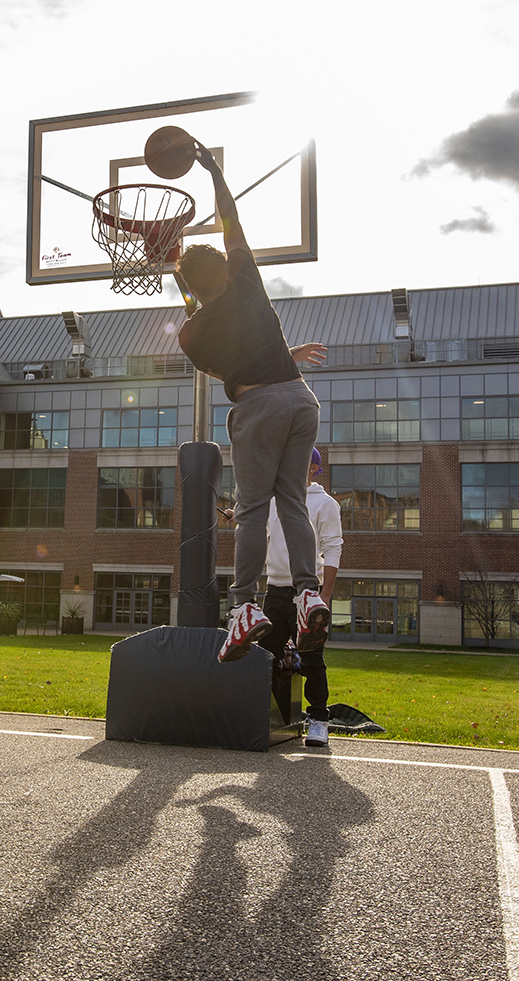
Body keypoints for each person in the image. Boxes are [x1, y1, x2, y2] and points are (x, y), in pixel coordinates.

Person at [174, 140, 330, 663]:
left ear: (189, 288)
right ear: (226, 266)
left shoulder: (191, 335)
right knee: (293, 504)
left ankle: (243, 606)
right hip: (301, 401)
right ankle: (308, 595)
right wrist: (213, 169)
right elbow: (229, 217)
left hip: (259, 408)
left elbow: (233, 366)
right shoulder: (248, 278)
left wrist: (182, 285)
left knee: (251, 512)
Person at [258, 449, 342, 747]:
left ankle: (318, 720)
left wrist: (326, 595)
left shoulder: (325, 504)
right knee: (266, 656)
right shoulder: (273, 502)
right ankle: (265, 717)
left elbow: (333, 548)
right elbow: (261, 532)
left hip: (308, 592)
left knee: (311, 658)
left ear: (313, 468)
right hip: (275, 589)